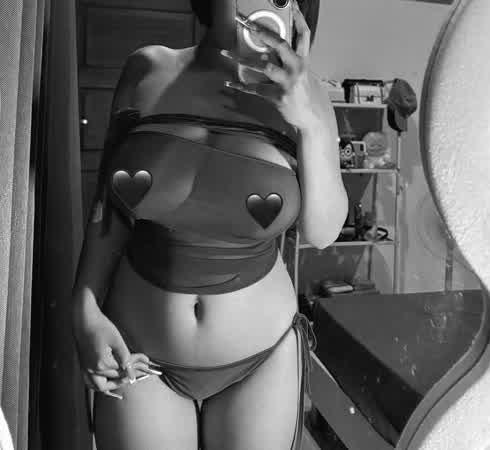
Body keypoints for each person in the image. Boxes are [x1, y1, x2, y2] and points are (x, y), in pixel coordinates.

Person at [71, 0, 348, 448]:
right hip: (138, 350)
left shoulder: (307, 94)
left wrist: (310, 125)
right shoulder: (146, 69)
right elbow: (109, 208)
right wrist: (84, 309)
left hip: (262, 358)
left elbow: (322, 232)